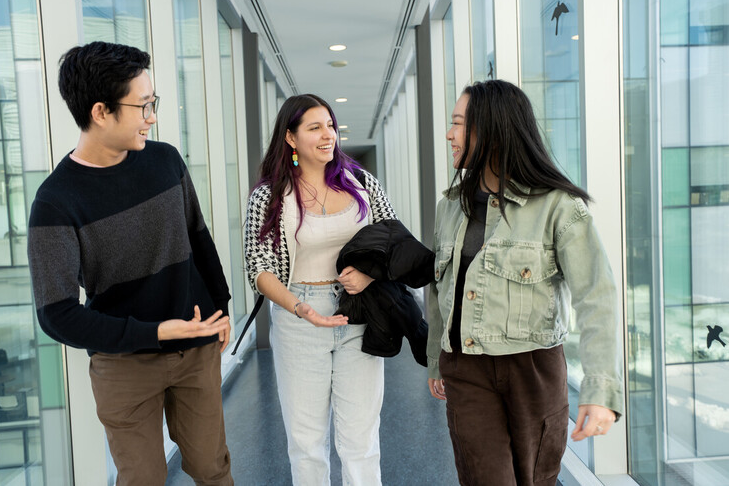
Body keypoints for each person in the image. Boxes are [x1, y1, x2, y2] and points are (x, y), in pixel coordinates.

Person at [27, 41, 233, 486]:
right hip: (123, 363)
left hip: (196, 344)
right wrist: (155, 332)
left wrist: (222, 307)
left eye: (151, 103)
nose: (151, 117)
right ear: (101, 111)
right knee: (143, 478)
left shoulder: (165, 161)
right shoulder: (55, 202)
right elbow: (56, 314)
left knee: (211, 467)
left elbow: (199, 236)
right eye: (143, 106)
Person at [427, 80, 623, 486]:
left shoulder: (558, 207)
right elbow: (439, 289)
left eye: (459, 124)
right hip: (466, 368)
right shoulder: (450, 206)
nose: (450, 134)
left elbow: (596, 296)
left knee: (536, 480)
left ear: (493, 131)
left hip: (533, 369)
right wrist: (435, 358)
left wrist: (599, 389)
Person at [243, 94, 397, 485]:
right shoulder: (270, 196)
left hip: (360, 312)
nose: (328, 134)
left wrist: (369, 275)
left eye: (330, 125)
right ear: (291, 138)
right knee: (307, 443)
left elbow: (394, 240)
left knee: (361, 439)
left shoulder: (361, 183)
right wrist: (300, 309)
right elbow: (257, 267)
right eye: (315, 127)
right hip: (301, 317)